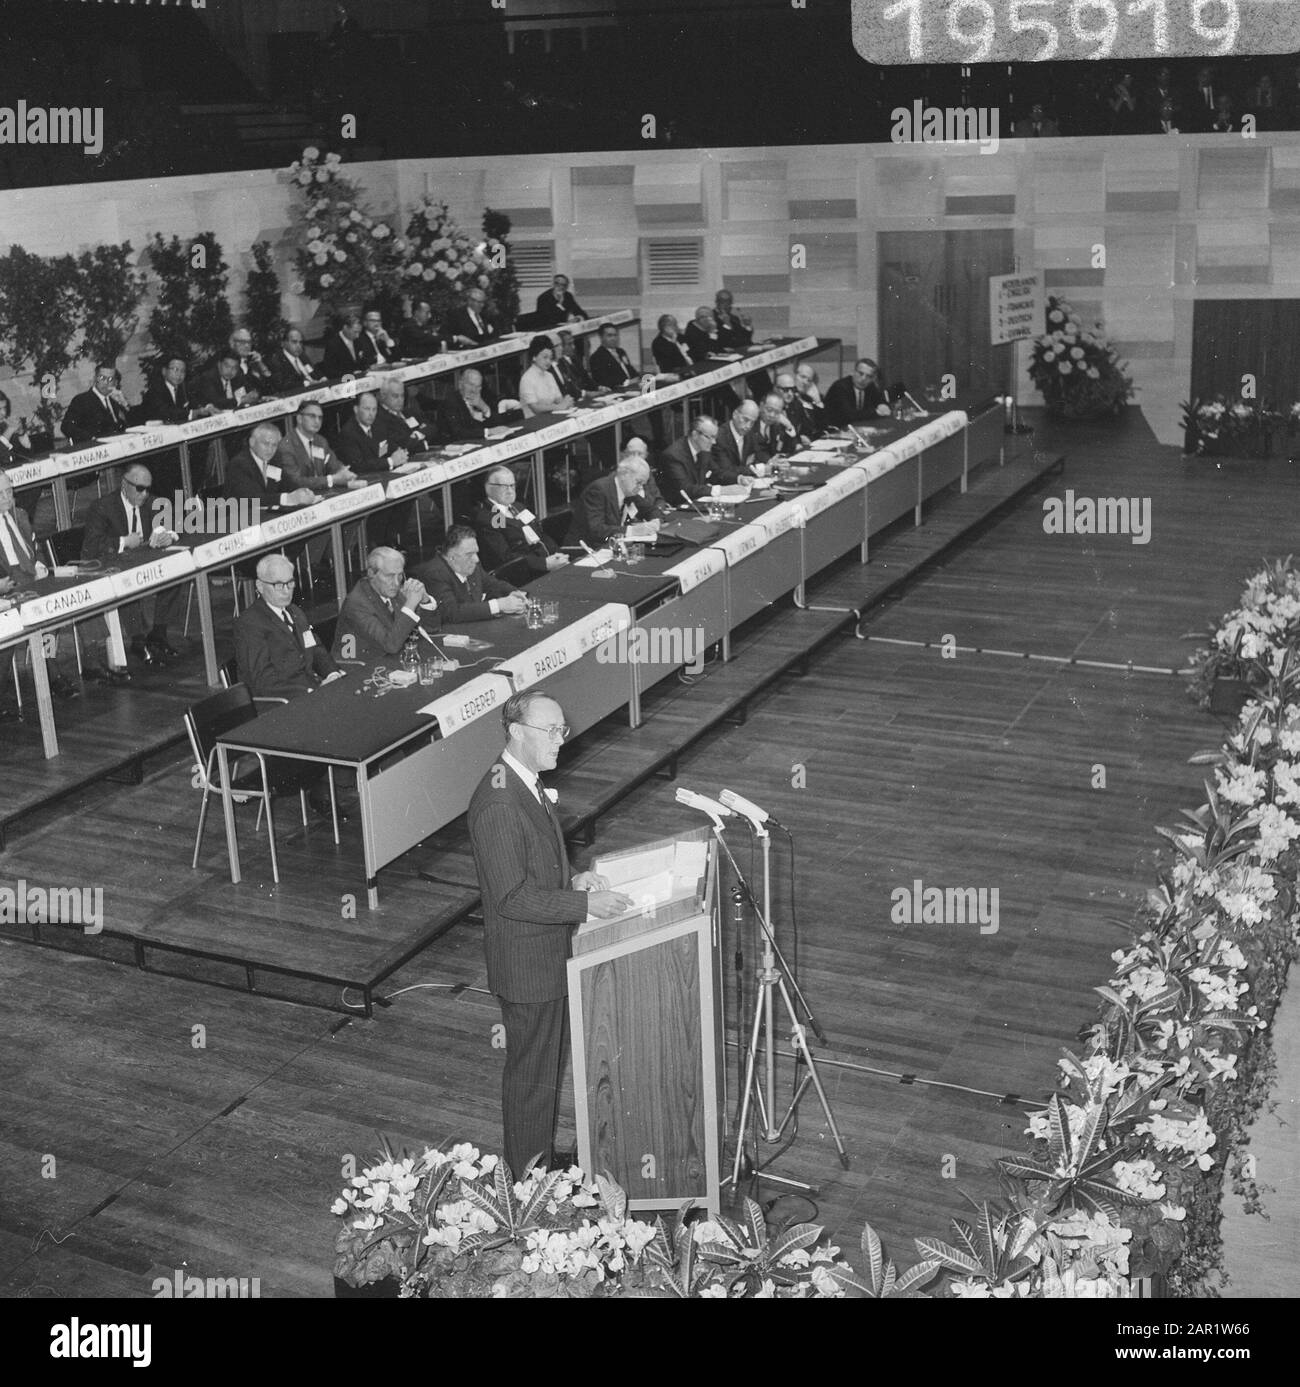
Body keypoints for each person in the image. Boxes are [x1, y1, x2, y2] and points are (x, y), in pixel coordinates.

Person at [467, 690, 633, 1174]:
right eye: (551, 730)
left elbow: (534, 863)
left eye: (563, 729)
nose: (561, 740)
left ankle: (534, 1158)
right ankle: (524, 1176)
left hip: (543, 954)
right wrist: (584, 903)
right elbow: (511, 897)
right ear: (517, 732)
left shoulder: (524, 781)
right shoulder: (499, 802)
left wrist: (573, 877)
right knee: (530, 1073)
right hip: (527, 964)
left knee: (539, 1069)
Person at [80, 462, 182, 677]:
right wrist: (123, 541)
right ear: (124, 484)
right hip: (114, 566)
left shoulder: (153, 503)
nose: (144, 494)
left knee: (178, 572)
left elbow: (174, 527)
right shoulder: (103, 506)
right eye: (139, 488)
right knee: (126, 587)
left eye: (147, 488)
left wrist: (168, 535)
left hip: (143, 562)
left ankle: (159, 633)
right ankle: (137, 640)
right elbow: (92, 546)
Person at [0, 468, 78, 703]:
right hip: (7, 584)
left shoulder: (20, 514)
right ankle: (47, 674)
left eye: (9, 491)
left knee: (52, 617)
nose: (7, 498)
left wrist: (41, 566)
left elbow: (34, 550)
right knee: (9, 633)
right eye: (0, 494)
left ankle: (48, 666)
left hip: (30, 577)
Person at [332, 546, 439, 664]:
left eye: (399, 575)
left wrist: (425, 601)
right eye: (389, 576)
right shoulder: (357, 603)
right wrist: (410, 606)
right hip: (358, 669)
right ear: (371, 574)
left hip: (389, 659)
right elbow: (390, 645)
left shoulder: (392, 591)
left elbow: (431, 628)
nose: (396, 583)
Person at [414, 525, 528, 622]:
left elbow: (493, 584)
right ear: (452, 557)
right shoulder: (435, 573)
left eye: (476, 553)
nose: (476, 559)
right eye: (469, 554)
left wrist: (516, 593)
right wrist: (499, 605)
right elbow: (452, 612)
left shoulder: (471, 564)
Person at [471, 466, 567, 576]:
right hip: (522, 574)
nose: (510, 491)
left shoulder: (518, 506)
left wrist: (558, 554)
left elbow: (541, 535)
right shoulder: (486, 519)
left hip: (546, 564)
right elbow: (505, 557)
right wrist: (544, 564)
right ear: (488, 488)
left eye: (512, 485)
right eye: (504, 487)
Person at [568, 455, 661, 547]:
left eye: (643, 484)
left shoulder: (629, 490)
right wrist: (633, 530)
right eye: (639, 482)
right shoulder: (599, 490)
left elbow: (651, 510)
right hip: (586, 549)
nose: (640, 488)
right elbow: (597, 529)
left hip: (613, 545)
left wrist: (655, 522)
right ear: (624, 475)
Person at [224, 423, 318, 509]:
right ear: (252, 442)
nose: (270, 449)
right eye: (266, 444)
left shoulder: (275, 458)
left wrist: (303, 492)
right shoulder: (239, 464)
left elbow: (287, 483)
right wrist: (287, 498)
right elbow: (253, 499)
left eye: (274, 445)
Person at [276, 401, 357, 493]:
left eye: (320, 418)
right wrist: (331, 480)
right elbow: (296, 482)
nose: (317, 421)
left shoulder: (320, 441)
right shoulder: (286, 445)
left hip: (322, 494)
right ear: (299, 419)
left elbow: (333, 464)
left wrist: (343, 472)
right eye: (312, 416)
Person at [657, 415, 725, 504]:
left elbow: (717, 473)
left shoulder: (703, 450)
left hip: (698, 502)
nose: (713, 442)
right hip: (679, 507)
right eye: (709, 437)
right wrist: (720, 490)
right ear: (695, 434)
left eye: (715, 437)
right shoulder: (673, 455)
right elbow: (686, 489)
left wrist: (739, 479)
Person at [62, 364, 130, 445]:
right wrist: (91, 438)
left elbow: (130, 424)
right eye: (102, 378)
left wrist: (124, 404)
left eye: (110, 379)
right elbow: (67, 426)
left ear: (115, 383)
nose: (106, 382)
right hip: (94, 446)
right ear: (95, 378)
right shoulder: (82, 400)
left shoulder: (115, 399)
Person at [439, 367, 511, 440]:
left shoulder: (484, 396)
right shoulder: (451, 402)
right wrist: (488, 431)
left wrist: (484, 408)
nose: (474, 390)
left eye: (478, 386)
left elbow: (500, 423)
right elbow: (458, 433)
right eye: (471, 385)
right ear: (460, 384)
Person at [375, 376, 434, 455]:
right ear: (383, 396)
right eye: (395, 396)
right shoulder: (379, 418)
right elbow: (400, 445)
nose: (400, 400)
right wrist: (422, 438)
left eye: (402, 396)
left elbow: (431, 427)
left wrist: (417, 435)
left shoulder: (407, 412)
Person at [824, 358, 891, 428]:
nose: (863, 379)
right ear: (853, 372)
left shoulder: (870, 386)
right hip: (836, 428)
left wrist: (883, 405)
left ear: (873, 378)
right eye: (861, 373)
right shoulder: (840, 387)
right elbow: (850, 415)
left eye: (869, 376)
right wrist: (876, 412)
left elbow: (879, 400)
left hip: (857, 426)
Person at [518, 336, 573, 417]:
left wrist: (567, 402)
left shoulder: (549, 375)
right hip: (534, 421)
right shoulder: (527, 379)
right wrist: (558, 407)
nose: (548, 361)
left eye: (550, 358)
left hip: (551, 417)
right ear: (534, 357)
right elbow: (535, 408)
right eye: (545, 357)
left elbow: (559, 399)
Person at [711, 399, 761, 479]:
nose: (748, 426)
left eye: (752, 422)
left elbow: (758, 456)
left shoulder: (750, 434)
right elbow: (727, 470)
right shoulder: (720, 437)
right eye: (745, 420)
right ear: (735, 414)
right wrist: (757, 469)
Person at [266, 326, 323, 394]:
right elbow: (282, 385)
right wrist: (307, 384)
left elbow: (314, 371)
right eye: (294, 342)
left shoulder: (302, 356)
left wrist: (322, 378)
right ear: (284, 343)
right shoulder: (276, 360)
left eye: (300, 342)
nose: (299, 346)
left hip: (316, 391)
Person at [138, 357, 192, 424]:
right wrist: (191, 413)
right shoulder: (154, 391)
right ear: (164, 371)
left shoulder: (184, 389)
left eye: (183, 371)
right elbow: (166, 412)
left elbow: (194, 405)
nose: (179, 374)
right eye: (175, 370)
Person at [754, 391, 800, 463]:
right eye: (769, 410)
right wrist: (769, 461)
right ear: (761, 406)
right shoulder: (751, 423)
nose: (772, 415)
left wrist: (789, 426)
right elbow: (756, 450)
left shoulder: (777, 426)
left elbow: (791, 449)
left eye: (777, 412)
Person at [775, 370, 818, 443]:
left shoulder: (796, 405)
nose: (790, 393)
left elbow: (808, 428)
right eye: (786, 390)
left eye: (793, 389)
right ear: (776, 389)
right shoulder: (771, 410)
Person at [228, 329, 270, 399]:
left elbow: (273, 387)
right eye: (242, 342)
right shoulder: (228, 366)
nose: (247, 345)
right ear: (232, 344)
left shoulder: (253, 362)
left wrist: (261, 365)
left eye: (249, 342)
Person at [0, 390, 35, 468]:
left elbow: (27, 455)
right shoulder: (7, 429)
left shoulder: (3, 426)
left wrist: (21, 433)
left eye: (4, 408)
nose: (4, 413)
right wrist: (9, 431)